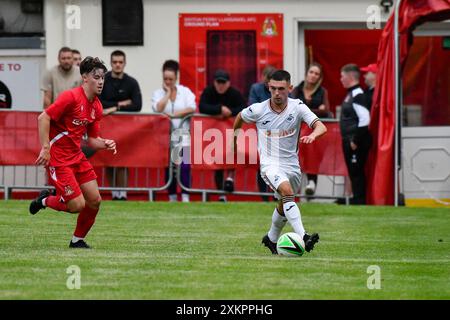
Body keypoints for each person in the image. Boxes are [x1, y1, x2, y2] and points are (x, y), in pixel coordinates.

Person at [233, 70, 327, 254]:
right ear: (268, 87)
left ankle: (271, 238)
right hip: (270, 165)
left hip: (292, 165)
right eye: (273, 88)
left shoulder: (298, 107)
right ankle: (304, 236)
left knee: (284, 202)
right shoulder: (258, 109)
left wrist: (313, 135)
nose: (277, 93)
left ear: (290, 88)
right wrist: (234, 140)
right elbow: (239, 117)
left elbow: (321, 126)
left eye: (281, 89)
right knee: (287, 192)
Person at [29, 57, 117, 248]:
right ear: (85, 78)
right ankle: (44, 200)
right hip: (59, 159)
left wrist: (106, 143)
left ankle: (77, 240)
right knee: (77, 205)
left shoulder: (97, 106)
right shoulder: (70, 97)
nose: (101, 81)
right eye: (97, 77)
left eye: (103, 77)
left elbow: (93, 140)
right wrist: (46, 148)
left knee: (94, 201)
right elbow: (43, 118)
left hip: (76, 156)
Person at [99, 50, 142, 200]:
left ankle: (122, 193)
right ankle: (113, 193)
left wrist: (113, 109)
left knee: (123, 159)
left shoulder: (132, 82)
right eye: (115, 62)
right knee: (109, 160)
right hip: (106, 128)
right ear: (110, 63)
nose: (117, 65)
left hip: (126, 130)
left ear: (124, 63)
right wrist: (120, 104)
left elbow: (137, 105)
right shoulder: (103, 80)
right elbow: (99, 102)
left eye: (120, 62)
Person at [199, 69, 246, 201]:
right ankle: (221, 193)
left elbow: (244, 108)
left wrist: (229, 112)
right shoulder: (208, 91)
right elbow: (202, 106)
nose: (220, 85)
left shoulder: (235, 93)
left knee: (232, 157)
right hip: (214, 135)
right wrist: (219, 109)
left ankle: (230, 178)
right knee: (217, 163)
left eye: (223, 82)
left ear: (228, 83)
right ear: (214, 82)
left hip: (231, 133)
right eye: (218, 82)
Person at [152, 60, 195, 202]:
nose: (168, 81)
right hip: (165, 138)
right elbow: (158, 108)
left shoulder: (185, 91)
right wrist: (168, 92)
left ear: (176, 77)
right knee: (168, 167)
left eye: (171, 79)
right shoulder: (158, 93)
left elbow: (192, 108)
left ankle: (185, 196)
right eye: (165, 79)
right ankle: (171, 197)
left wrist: (174, 115)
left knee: (185, 166)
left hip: (184, 136)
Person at [291, 62, 331, 197]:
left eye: (317, 74)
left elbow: (326, 111)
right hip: (297, 131)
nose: (313, 76)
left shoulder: (323, 92)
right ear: (306, 73)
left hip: (314, 131)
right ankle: (294, 186)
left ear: (320, 77)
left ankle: (311, 183)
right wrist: (315, 110)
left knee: (312, 155)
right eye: (311, 72)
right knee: (296, 157)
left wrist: (304, 111)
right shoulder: (297, 89)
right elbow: (292, 107)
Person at [339, 64, 372, 205]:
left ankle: (359, 200)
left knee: (356, 172)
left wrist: (355, 140)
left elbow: (365, 119)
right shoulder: (352, 94)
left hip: (355, 141)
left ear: (350, 77)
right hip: (350, 139)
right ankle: (357, 198)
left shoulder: (358, 95)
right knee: (354, 172)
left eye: (342, 76)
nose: (341, 79)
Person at [248, 65, 277, 201]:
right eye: (267, 81)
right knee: (263, 165)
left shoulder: (280, 89)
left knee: (277, 166)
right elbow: (252, 107)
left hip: (278, 133)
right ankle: (264, 198)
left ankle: (277, 195)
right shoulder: (256, 88)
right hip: (260, 133)